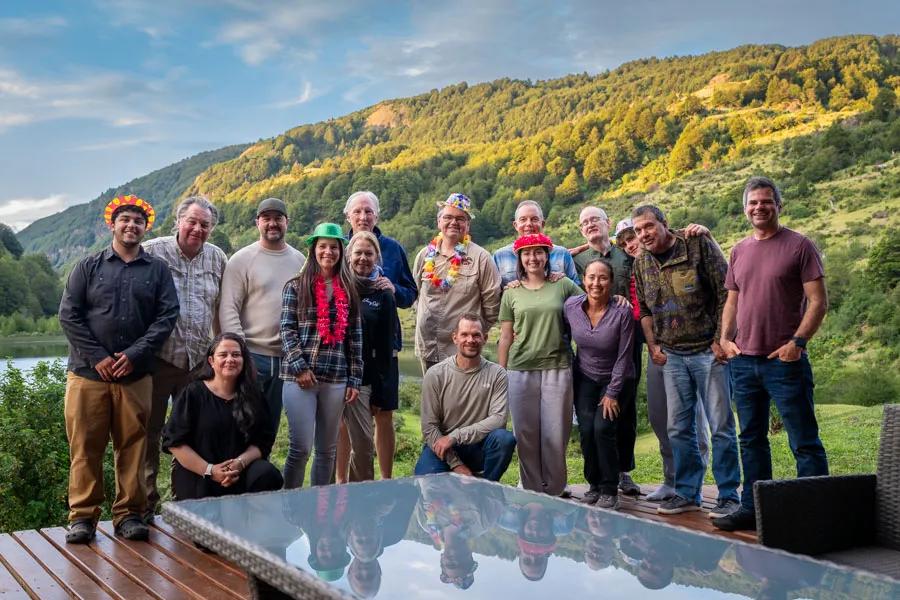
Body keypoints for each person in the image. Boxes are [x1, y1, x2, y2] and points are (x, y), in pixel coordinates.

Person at [58, 195, 178, 544]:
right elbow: (69, 315)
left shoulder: (157, 271)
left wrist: (135, 354)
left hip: (135, 376)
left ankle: (129, 515)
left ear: (145, 228)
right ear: (112, 224)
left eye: (138, 221)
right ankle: (83, 518)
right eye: (125, 219)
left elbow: (167, 316)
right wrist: (98, 356)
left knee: (134, 448)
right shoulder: (87, 266)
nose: (131, 226)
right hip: (87, 375)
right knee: (85, 448)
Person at [713, 176, 829, 532]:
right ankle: (753, 509)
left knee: (803, 439)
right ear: (745, 209)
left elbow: (818, 301)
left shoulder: (799, 246)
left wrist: (798, 343)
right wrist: (725, 339)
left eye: (766, 201)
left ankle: (815, 514)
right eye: (753, 203)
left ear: (779, 205)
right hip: (743, 362)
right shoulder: (739, 250)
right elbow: (732, 300)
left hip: (784, 362)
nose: (759, 207)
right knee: (750, 440)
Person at [632, 204, 741, 517]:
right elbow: (645, 310)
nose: (643, 234)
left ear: (664, 223)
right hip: (672, 356)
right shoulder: (641, 262)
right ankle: (688, 492)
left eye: (648, 226)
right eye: (638, 230)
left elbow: (727, 292)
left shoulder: (696, 244)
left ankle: (729, 495)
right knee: (678, 428)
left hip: (709, 352)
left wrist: (722, 339)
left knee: (720, 426)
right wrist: (653, 345)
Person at [141, 195, 227, 521]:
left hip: (198, 363)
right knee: (148, 434)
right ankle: (144, 506)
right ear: (178, 221)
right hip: (158, 360)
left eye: (205, 224)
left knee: (194, 434)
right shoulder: (152, 251)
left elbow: (220, 309)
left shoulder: (217, 258)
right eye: (192, 221)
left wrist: (221, 352)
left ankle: (188, 505)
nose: (197, 229)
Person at [615, 218, 710, 502]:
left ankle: (693, 482)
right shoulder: (638, 270)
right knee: (660, 418)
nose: (630, 244)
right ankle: (672, 480)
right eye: (624, 242)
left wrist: (704, 233)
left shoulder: (677, 254)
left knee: (692, 419)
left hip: (692, 348)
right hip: (658, 351)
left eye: (633, 237)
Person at [280, 222, 363, 488]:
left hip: (336, 377)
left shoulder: (348, 290)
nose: (328, 252)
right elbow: (286, 329)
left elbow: (355, 338)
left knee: (327, 450)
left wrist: (355, 379)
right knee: (301, 448)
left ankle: (319, 504)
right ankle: (290, 502)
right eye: (323, 246)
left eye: (334, 247)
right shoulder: (295, 286)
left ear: (341, 251)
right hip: (300, 378)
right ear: (313, 249)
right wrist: (300, 367)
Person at [498, 233, 582, 496]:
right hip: (520, 369)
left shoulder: (563, 284)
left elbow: (592, 305)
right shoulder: (511, 292)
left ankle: (555, 489)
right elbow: (505, 336)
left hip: (557, 366)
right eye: (527, 253)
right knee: (525, 433)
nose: (532, 258)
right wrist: (501, 373)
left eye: (538, 252)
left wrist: (619, 301)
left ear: (547, 256)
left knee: (555, 432)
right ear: (520, 259)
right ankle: (532, 491)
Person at [343, 190, 416, 479]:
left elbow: (410, 294)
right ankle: (340, 481)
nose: (363, 217)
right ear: (348, 216)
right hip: (345, 349)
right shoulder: (337, 247)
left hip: (386, 344)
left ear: (377, 215)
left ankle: (386, 479)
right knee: (343, 417)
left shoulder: (393, 248)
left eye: (368, 211)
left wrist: (393, 289)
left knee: (384, 412)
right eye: (357, 211)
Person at [219, 197, 306, 434]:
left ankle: (262, 459)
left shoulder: (300, 261)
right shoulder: (241, 260)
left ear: (287, 222)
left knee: (270, 427)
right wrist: (240, 352)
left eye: (278, 218)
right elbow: (229, 308)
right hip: (252, 355)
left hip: (288, 358)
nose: (272, 223)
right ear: (257, 222)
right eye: (266, 218)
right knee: (241, 424)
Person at [161, 333, 283, 500]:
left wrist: (239, 463)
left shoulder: (253, 396)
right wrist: (211, 470)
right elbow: (175, 442)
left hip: (239, 473)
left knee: (267, 474)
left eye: (236, 355)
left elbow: (262, 442)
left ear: (244, 360)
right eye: (223, 355)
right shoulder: (193, 393)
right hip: (200, 472)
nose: (230, 359)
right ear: (211, 361)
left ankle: (253, 515)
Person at [570, 206, 640, 495]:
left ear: (607, 222)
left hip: (627, 340)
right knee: (594, 421)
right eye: (584, 222)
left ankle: (623, 471)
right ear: (581, 230)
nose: (590, 225)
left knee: (625, 409)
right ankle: (600, 477)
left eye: (595, 219)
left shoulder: (626, 253)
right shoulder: (576, 260)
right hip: (594, 346)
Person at [564, 259, 635, 509]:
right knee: (586, 430)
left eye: (603, 277)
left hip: (617, 379)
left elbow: (625, 356)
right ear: (583, 280)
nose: (596, 283)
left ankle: (609, 488)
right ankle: (593, 484)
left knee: (602, 429)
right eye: (591, 277)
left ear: (611, 282)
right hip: (585, 377)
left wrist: (612, 393)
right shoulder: (571, 306)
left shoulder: (622, 312)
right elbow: (562, 334)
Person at [415, 314, 516, 480]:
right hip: (444, 447)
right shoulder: (436, 374)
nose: (470, 340)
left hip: (479, 446)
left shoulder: (497, 374)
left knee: (504, 439)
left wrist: (455, 436)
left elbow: (498, 419)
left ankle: (487, 486)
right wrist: (456, 464)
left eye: (476, 335)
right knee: (426, 482)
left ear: (485, 338)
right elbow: (429, 427)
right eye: (464, 334)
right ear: (455, 338)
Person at [413, 193, 502, 373]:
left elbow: (493, 305)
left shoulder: (481, 258)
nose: (454, 222)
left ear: (468, 225)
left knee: (464, 392)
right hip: (428, 347)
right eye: (448, 217)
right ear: (439, 222)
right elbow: (415, 294)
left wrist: (473, 335)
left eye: (460, 219)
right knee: (432, 392)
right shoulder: (424, 255)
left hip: (463, 351)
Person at [336, 231, 398, 483]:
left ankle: (362, 495)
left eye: (369, 254)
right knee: (329, 439)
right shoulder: (336, 286)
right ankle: (336, 492)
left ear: (377, 257)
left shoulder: (384, 294)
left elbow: (385, 348)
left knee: (362, 446)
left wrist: (379, 391)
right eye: (358, 253)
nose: (363, 258)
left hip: (362, 380)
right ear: (348, 256)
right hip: (333, 375)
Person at [492, 200, 580, 287]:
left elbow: (576, 290)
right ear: (515, 225)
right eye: (523, 219)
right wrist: (507, 290)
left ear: (542, 224)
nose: (529, 224)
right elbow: (494, 291)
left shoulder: (562, 254)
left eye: (534, 219)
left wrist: (564, 281)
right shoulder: (500, 256)